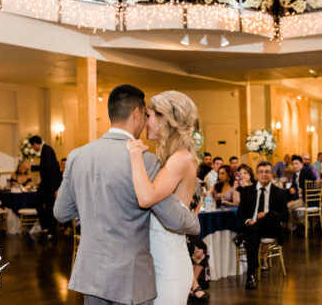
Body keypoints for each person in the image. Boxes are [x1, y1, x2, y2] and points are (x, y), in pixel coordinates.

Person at [54, 85, 199, 305]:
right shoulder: (146, 160)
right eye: (146, 115)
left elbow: (61, 212)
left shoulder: (76, 156)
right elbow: (171, 217)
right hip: (130, 278)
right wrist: (194, 221)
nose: (146, 121)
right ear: (136, 114)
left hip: (91, 273)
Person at [126, 90, 202, 305]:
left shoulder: (180, 158)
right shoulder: (172, 157)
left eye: (148, 115)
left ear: (165, 118)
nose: (144, 122)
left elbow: (146, 197)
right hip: (156, 260)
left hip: (168, 265)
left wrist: (134, 156)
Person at [233, 162, 289, 290]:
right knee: (253, 235)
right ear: (257, 174)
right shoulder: (247, 191)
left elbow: (285, 216)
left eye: (267, 171)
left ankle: (243, 236)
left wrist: (267, 215)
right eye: (261, 171)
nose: (264, 174)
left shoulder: (279, 192)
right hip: (253, 227)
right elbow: (241, 213)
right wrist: (248, 221)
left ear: (272, 174)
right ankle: (250, 276)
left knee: (272, 214)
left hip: (271, 228)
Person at [29, 135, 62, 240]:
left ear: (35, 144)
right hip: (46, 184)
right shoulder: (45, 150)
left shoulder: (46, 149)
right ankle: (46, 229)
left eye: (32, 146)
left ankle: (50, 231)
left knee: (48, 207)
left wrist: (32, 167)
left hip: (49, 185)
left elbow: (46, 166)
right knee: (38, 203)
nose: (33, 149)